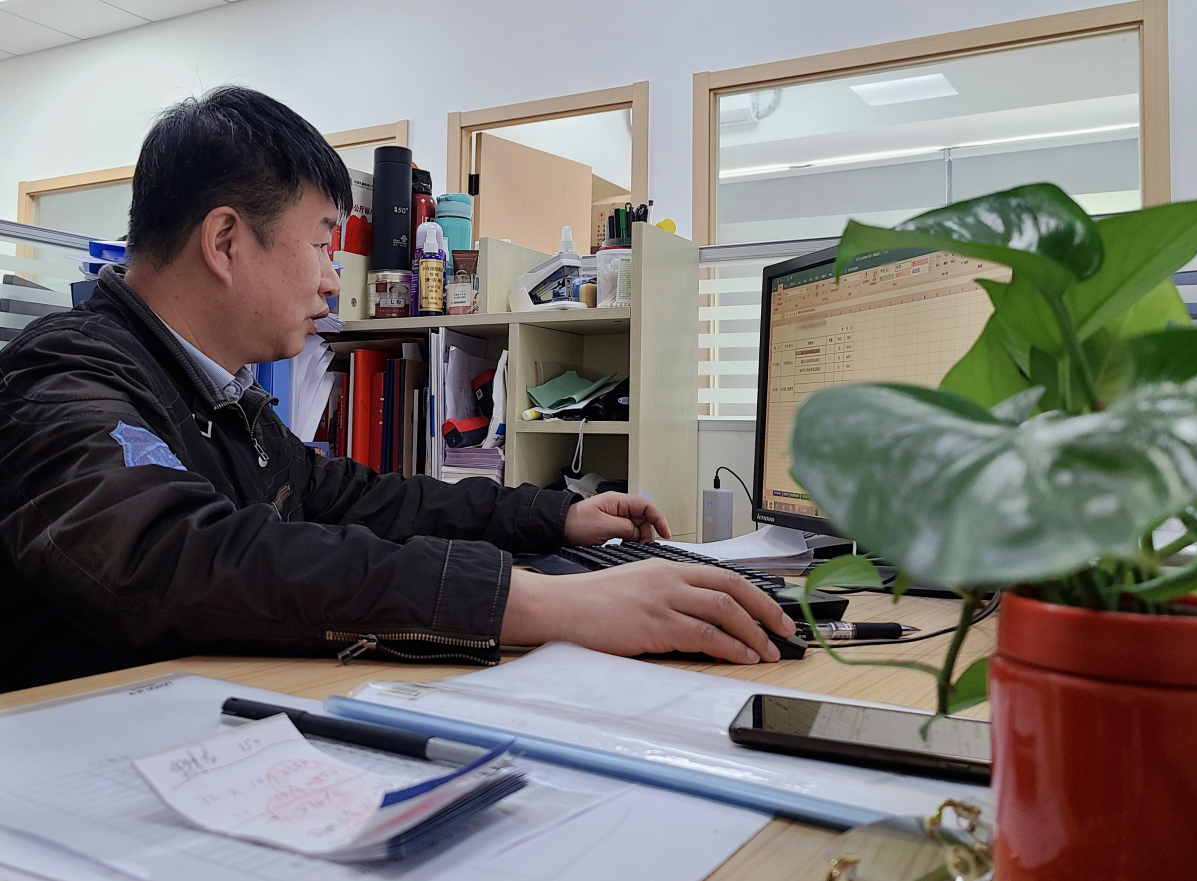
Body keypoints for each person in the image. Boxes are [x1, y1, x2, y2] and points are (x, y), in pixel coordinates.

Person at [0, 87, 794, 694]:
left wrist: (554, 515)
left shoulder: (218, 394)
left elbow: (357, 499)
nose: (330, 277)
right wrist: (545, 606)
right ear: (225, 240)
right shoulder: (64, 376)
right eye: (322, 243)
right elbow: (171, 557)